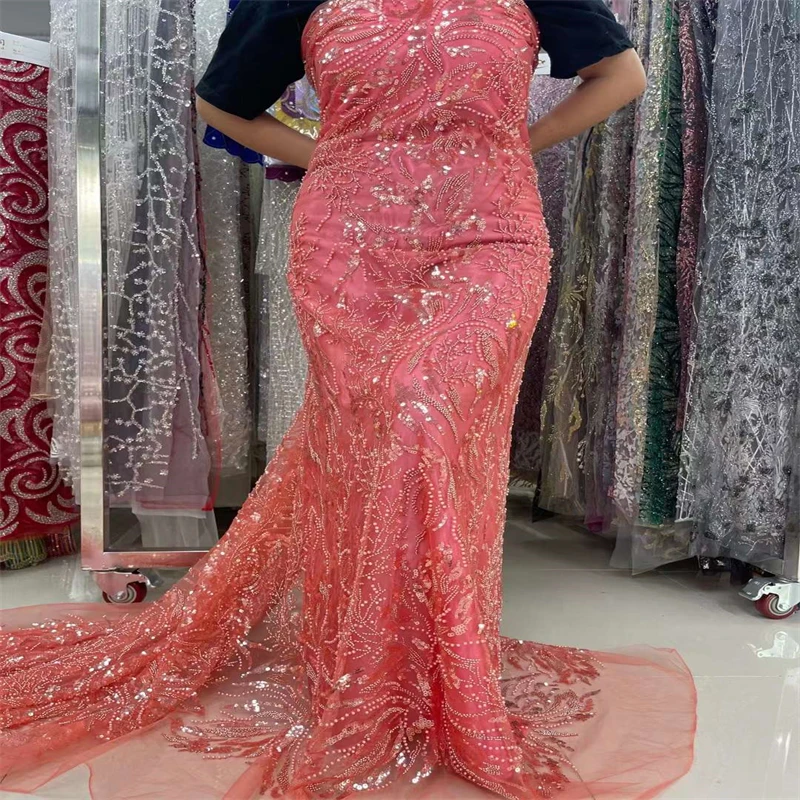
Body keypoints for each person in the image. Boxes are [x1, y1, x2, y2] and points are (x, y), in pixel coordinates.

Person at [0, 2, 696, 798]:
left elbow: (622, 76)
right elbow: (220, 101)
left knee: (423, 418)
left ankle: (433, 666)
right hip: (349, 244)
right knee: (376, 440)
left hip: (491, 237)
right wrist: (329, 152)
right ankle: (364, 668)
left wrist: (510, 144)